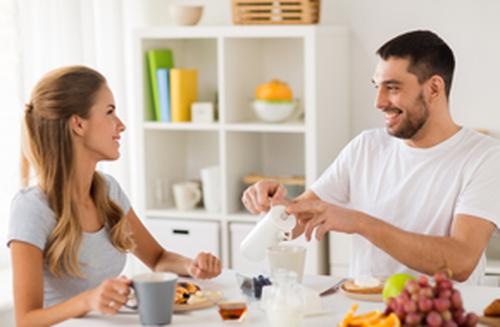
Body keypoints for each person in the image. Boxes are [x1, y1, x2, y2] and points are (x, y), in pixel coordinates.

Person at [242, 30, 500, 285]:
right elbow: (299, 220)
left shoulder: (484, 157)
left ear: (434, 88)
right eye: (377, 87)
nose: (378, 102)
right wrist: (275, 207)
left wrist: (359, 223)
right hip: (365, 316)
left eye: (392, 88)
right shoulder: (366, 147)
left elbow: (461, 262)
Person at [7, 66, 222, 326]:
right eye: (110, 112)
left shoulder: (107, 191)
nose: (121, 125)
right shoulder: (32, 208)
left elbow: (157, 259)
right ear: (78, 124)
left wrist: (192, 266)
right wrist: (88, 300)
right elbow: (25, 320)